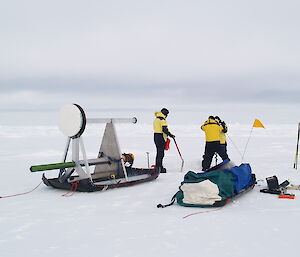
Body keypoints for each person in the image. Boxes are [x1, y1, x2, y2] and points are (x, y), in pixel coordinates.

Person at [153, 108, 175, 173]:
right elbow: (164, 129)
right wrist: (171, 135)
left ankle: (158, 166)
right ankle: (159, 168)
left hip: (156, 136)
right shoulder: (162, 120)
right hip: (161, 137)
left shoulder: (156, 119)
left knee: (158, 152)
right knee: (161, 153)